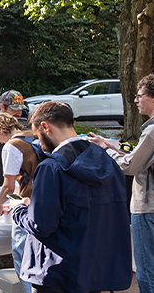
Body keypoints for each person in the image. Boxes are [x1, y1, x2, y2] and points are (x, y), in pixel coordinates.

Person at [12, 101, 131, 292]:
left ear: (45, 127)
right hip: (95, 269)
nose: (40, 146)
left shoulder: (52, 167)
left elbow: (41, 225)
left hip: (58, 272)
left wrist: (20, 210)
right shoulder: (108, 162)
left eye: (37, 137)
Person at [87, 73, 154, 293]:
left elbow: (130, 167)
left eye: (140, 96)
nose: (136, 100)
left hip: (148, 205)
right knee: (151, 262)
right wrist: (111, 146)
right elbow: (143, 159)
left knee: (147, 267)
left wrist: (106, 152)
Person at [0, 112, 38, 292]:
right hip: (42, 198)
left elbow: (8, 185)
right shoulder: (33, 136)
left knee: (21, 253)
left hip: (29, 204)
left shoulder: (11, 146)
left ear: (0, 130)